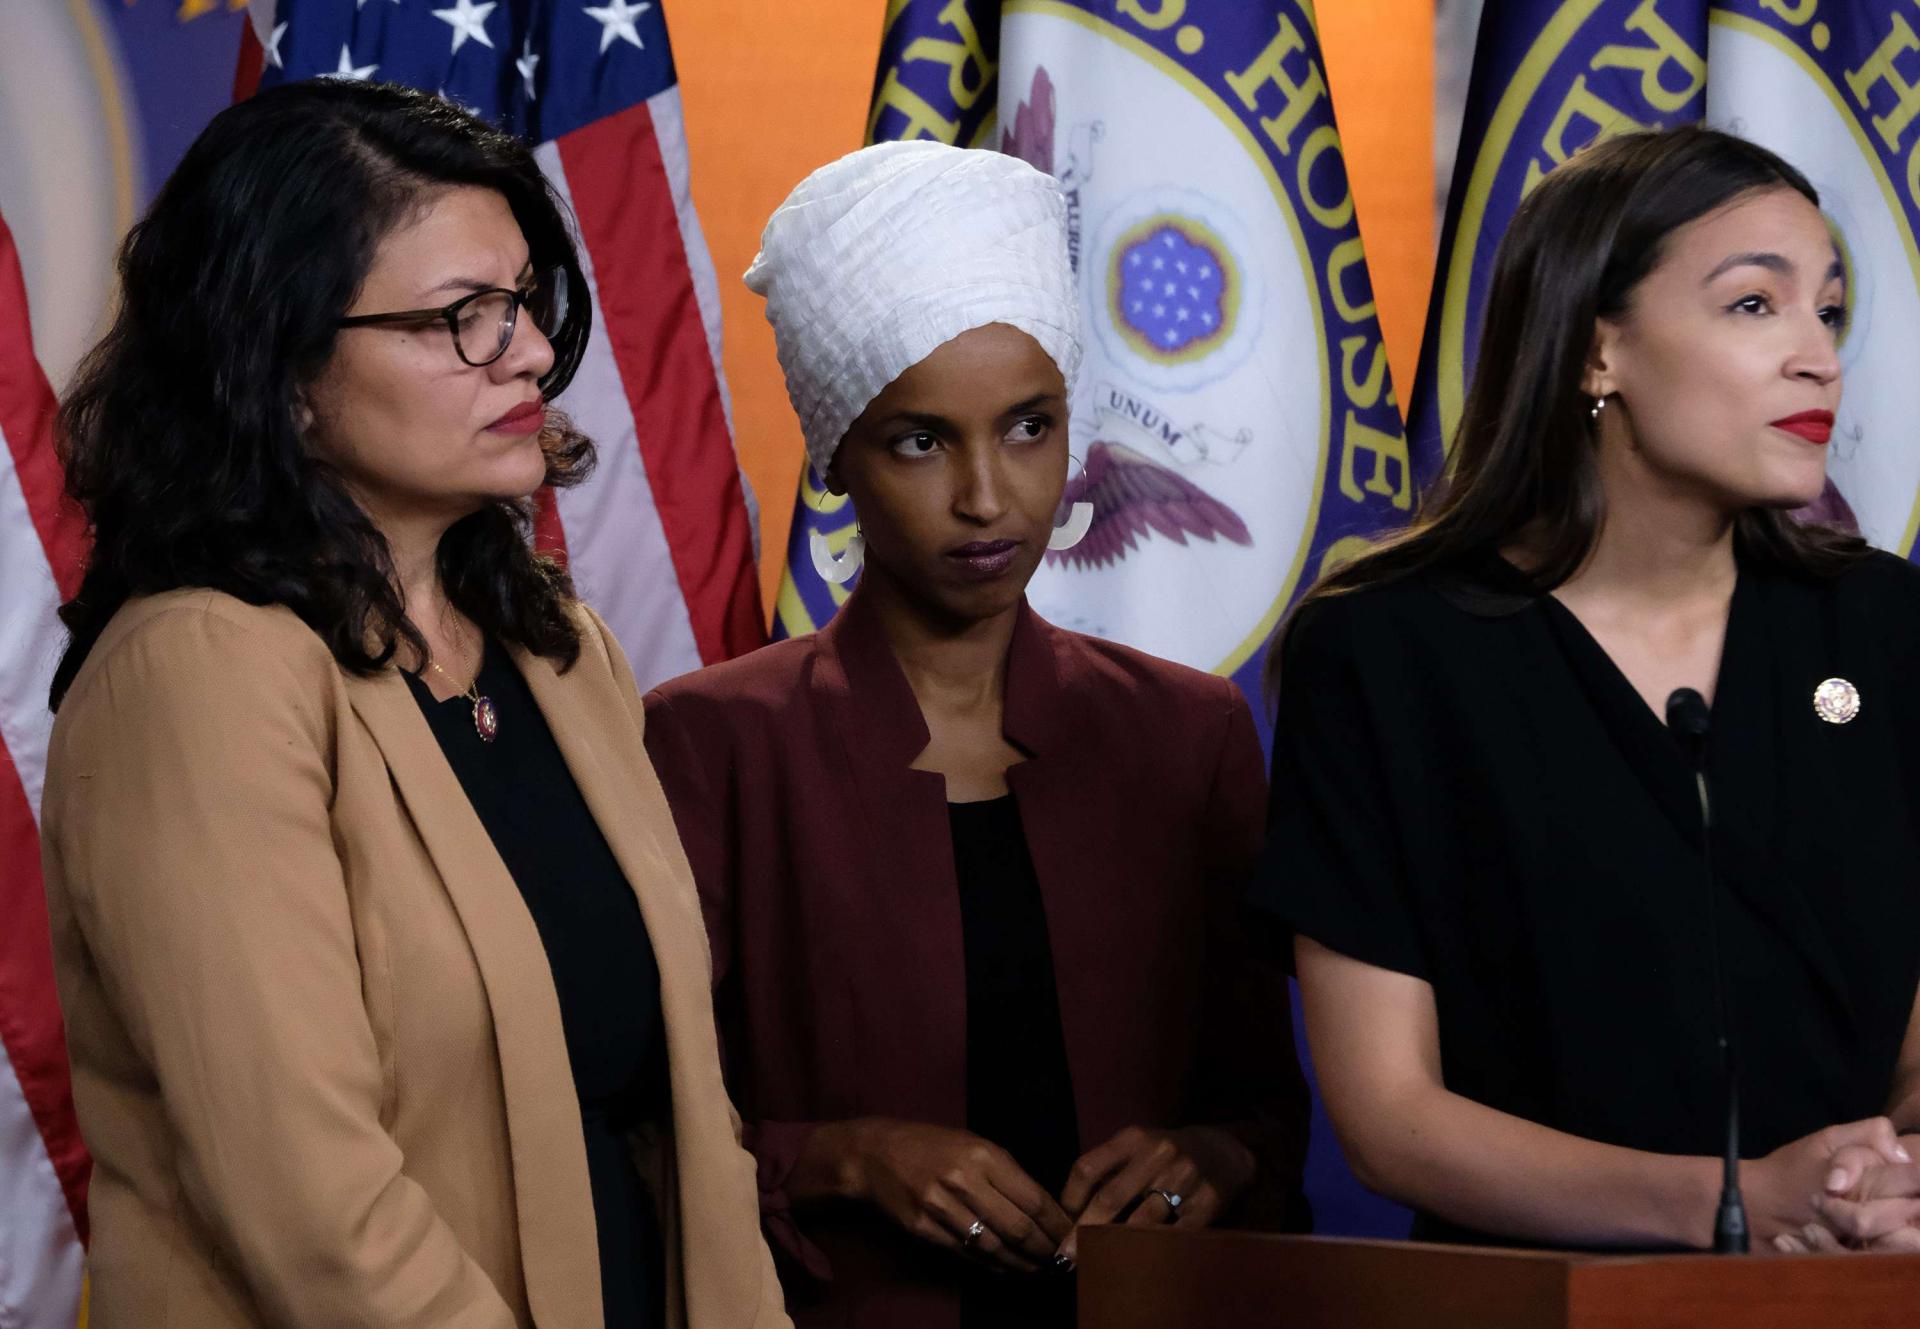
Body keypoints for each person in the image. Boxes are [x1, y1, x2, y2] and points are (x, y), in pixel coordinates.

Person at [39, 80, 787, 1329]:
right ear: (279, 372)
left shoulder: (560, 654)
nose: (535, 353)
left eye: (525, 305)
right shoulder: (197, 675)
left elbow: (689, 1131)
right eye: (465, 319)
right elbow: (318, 1222)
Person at [640, 140, 1308, 1329]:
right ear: (837, 456)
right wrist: (846, 1158)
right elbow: (636, 1123)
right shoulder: (709, 744)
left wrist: (1213, 1157)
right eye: (920, 441)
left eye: (1029, 427)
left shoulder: (1188, 734)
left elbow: (1268, 1102)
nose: (989, 497)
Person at [1254, 125, 1920, 1252]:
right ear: (1593, 350)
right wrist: (1737, 1205)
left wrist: (1884, 1186)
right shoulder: (1385, 652)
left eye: (1828, 308)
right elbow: (1391, 1119)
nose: (1817, 354)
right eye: (1755, 305)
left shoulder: (1884, 626)